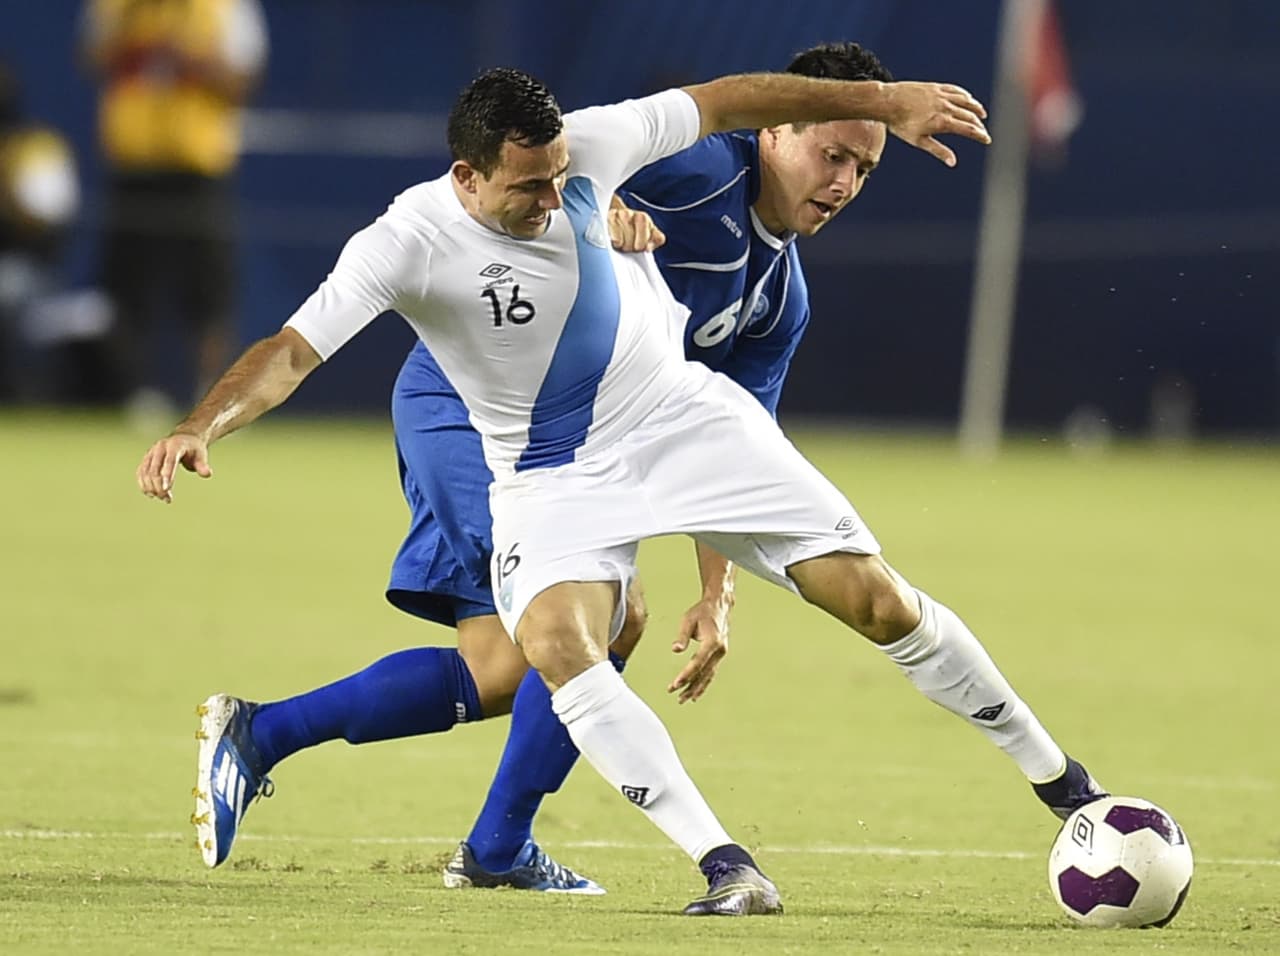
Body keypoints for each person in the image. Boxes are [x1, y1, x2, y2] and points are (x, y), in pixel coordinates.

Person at [140, 65, 1101, 916]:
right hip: (537, 459)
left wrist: (718, 594)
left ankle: (1068, 789)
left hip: (675, 417)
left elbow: (727, 97)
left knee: (871, 597)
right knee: (549, 647)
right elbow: (290, 353)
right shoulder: (406, 239)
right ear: (466, 177)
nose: (558, 199)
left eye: (563, 178)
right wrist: (199, 425)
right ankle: (718, 866)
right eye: (529, 188)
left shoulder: (631, 179)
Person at [81, 0, 268, 409]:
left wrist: (186, 57)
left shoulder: (225, 7)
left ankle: (213, 397)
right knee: (126, 288)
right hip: (132, 164)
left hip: (197, 166)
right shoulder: (118, 5)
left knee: (208, 292)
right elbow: (92, 58)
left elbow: (242, 81)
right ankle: (131, 394)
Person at [0, 61, 80, 401]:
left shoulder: (35, 147)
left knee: (7, 285)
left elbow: (46, 219)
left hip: (27, 268)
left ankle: (23, 391)